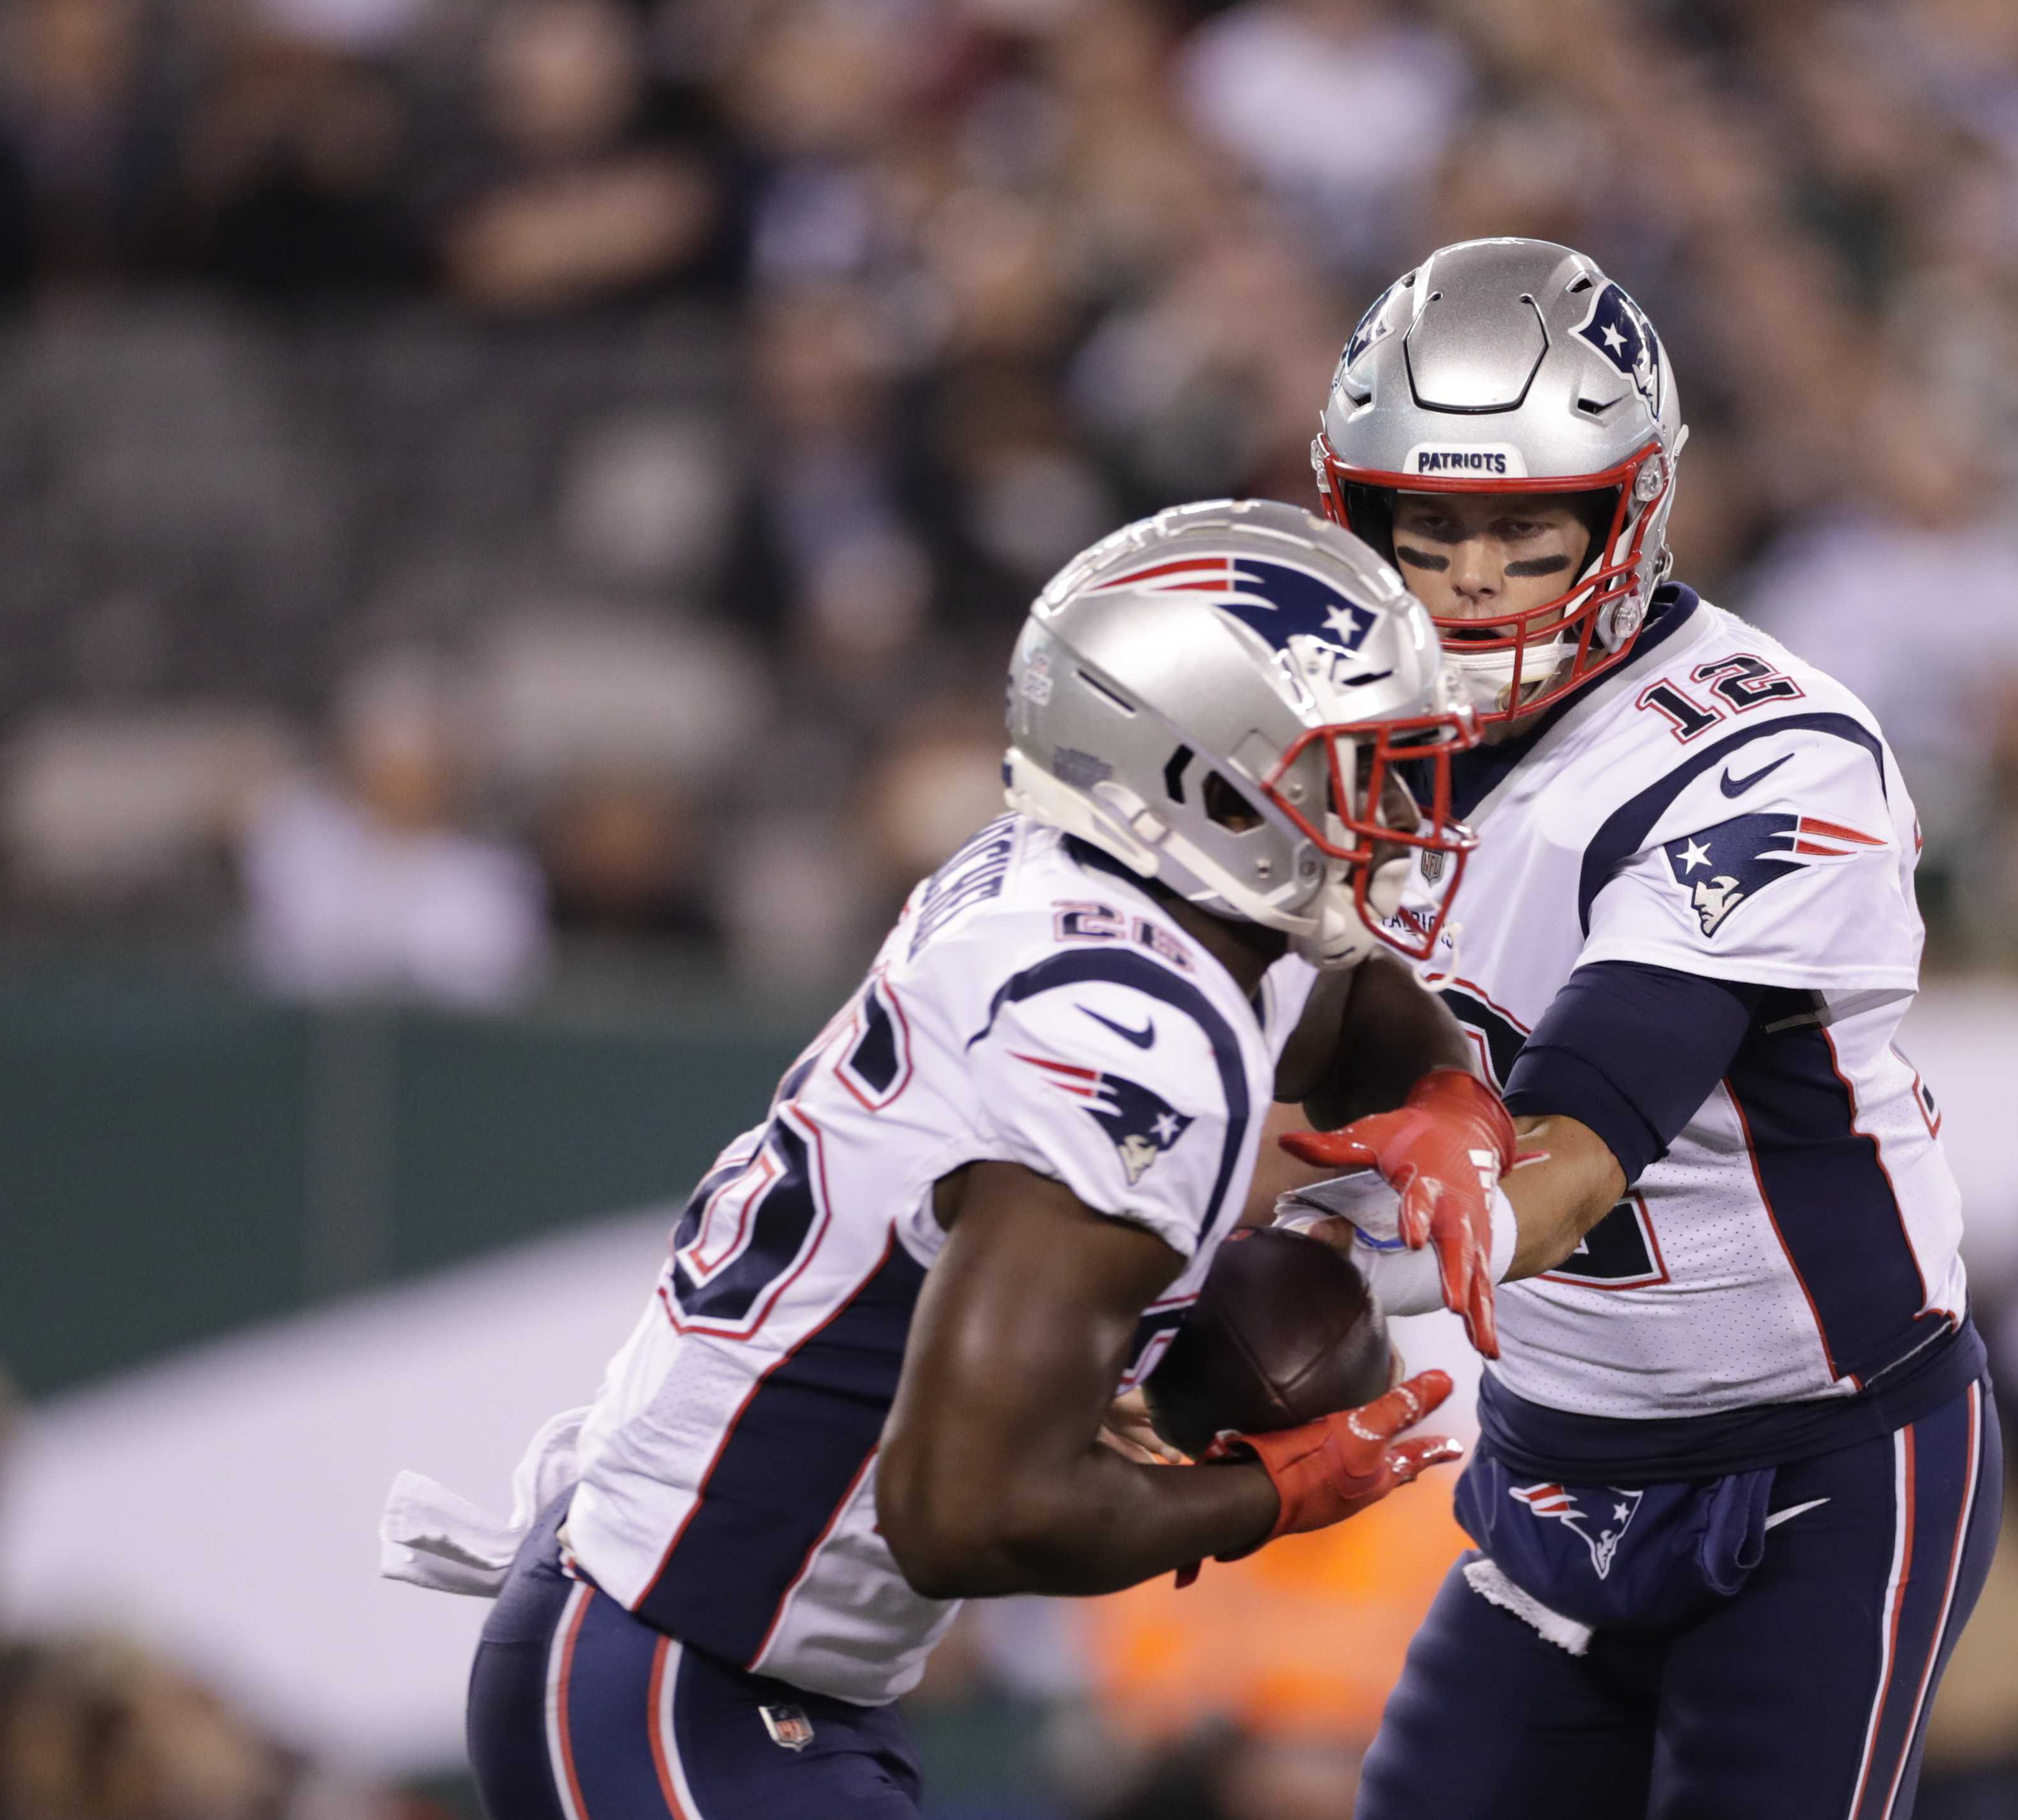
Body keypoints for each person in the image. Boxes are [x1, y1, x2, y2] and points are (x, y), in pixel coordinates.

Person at [380, 500, 1518, 1819]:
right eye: (1350, 763)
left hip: (734, 1669)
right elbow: (967, 1512)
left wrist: (1444, 1093)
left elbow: (1346, 1003)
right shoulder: (1133, 1033)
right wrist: (1262, 1494)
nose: (1390, 802)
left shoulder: (1118, 892)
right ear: (1204, 780)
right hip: (686, 1675)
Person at [1297, 239, 2003, 1818]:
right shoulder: (1303, 740)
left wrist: (1333, 1260)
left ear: (1624, 516)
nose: (1471, 576)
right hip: (1556, 1458)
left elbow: (1570, 1152)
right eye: (1430, 524)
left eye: (1525, 528)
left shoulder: (1771, 749)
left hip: (1817, 1465)